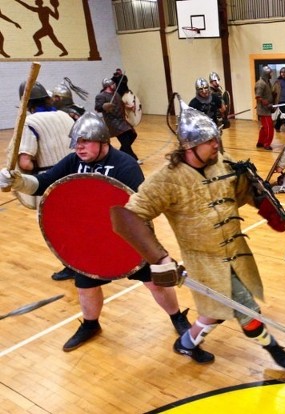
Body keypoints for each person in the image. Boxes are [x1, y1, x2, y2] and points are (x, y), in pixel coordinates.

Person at [109, 104, 285, 369]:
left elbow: (246, 190)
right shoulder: (165, 180)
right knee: (246, 308)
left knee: (214, 312)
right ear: (189, 147)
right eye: (209, 141)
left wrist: (272, 210)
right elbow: (128, 218)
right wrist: (159, 257)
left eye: (215, 139)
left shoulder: (222, 162)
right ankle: (274, 349)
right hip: (204, 260)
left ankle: (186, 343)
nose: (216, 145)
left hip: (235, 251)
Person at [0, 111, 191, 351]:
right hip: (90, 238)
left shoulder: (125, 165)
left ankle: (177, 317)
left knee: (154, 282)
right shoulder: (73, 162)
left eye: (84, 142)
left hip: (126, 239)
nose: (78, 147)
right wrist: (17, 181)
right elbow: (43, 183)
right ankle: (91, 324)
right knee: (85, 285)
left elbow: (138, 210)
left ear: (103, 141)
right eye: (76, 142)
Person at [9, 80, 76, 281]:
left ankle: (72, 265)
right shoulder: (65, 116)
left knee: (57, 228)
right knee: (77, 222)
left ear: (26, 104)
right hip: (76, 176)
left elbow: (26, 162)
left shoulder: (30, 123)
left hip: (50, 182)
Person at [95, 77, 141, 163]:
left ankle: (119, 154)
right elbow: (98, 108)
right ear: (107, 86)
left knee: (133, 135)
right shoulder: (101, 96)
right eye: (112, 84)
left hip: (122, 120)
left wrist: (129, 107)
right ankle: (134, 158)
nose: (114, 85)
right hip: (113, 122)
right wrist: (104, 106)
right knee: (125, 140)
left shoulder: (116, 94)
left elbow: (121, 104)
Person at [255, 65, 275, 150]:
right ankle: (266, 144)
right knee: (269, 127)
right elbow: (258, 96)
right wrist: (265, 102)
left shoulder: (267, 82)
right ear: (266, 73)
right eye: (270, 73)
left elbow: (267, 94)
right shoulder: (260, 83)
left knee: (264, 127)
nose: (271, 74)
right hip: (263, 110)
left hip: (267, 109)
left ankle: (260, 142)